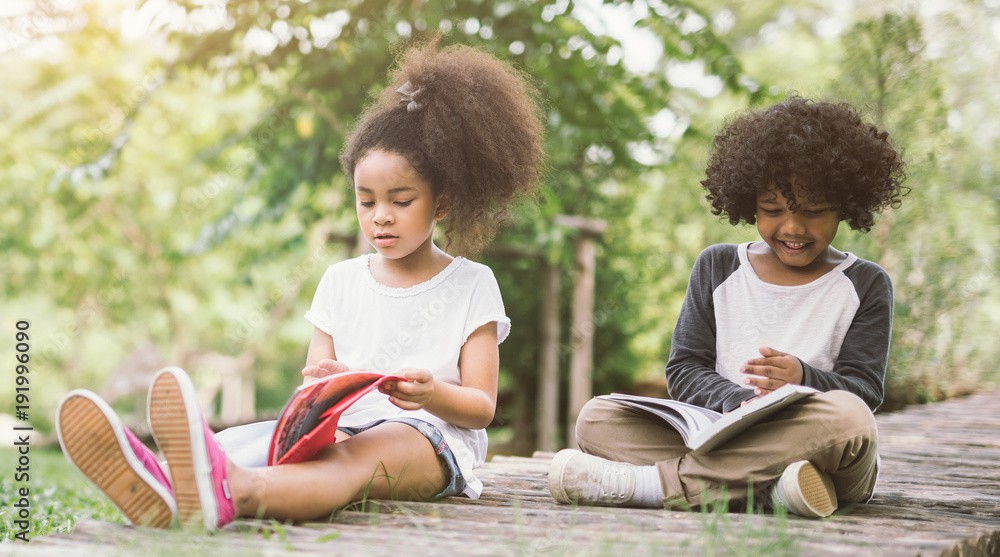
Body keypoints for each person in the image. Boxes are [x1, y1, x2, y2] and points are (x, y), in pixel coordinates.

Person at [56, 40, 545, 531]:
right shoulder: (340, 280)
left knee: (348, 462)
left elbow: (481, 409)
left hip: (429, 438)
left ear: (441, 204)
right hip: (342, 426)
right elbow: (313, 377)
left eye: (401, 200)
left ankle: (233, 493)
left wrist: (431, 393)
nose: (381, 217)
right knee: (256, 439)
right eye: (366, 201)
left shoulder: (471, 283)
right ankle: (159, 478)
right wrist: (326, 384)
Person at [548, 97, 907, 518]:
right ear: (748, 202)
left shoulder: (866, 283)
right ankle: (772, 492)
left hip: (820, 445)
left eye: (813, 212)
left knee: (850, 417)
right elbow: (684, 370)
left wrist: (802, 379)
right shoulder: (718, 265)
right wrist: (739, 402)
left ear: (845, 205)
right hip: (723, 433)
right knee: (596, 418)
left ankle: (650, 486)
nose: (792, 228)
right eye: (773, 211)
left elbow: (864, 391)